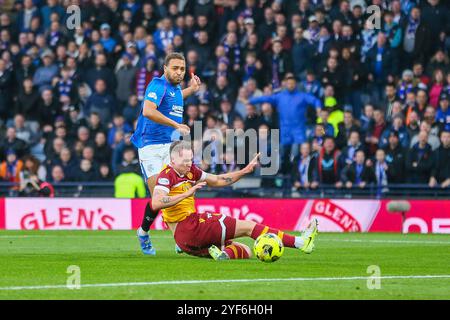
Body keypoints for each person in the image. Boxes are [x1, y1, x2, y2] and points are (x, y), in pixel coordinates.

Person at [148, 141, 319, 260]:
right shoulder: (166, 175)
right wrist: (185, 195)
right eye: (185, 161)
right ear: (172, 160)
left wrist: (244, 171)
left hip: (185, 241)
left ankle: (223, 256)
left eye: (191, 159)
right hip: (190, 227)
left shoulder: (191, 171)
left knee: (245, 250)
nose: (189, 164)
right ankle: (301, 242)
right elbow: (156, 203)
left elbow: (218, 180)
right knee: (249, 227)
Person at [131, 52, 201, 255]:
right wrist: (176, 124)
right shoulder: (157, 85)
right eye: (175, 68)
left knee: (177, 190)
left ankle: (180, 239)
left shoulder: (175, 88)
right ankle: (143, 232)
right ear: (165, 69)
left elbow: (176, 97)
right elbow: (148, 111)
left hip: (170, 146)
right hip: (150, 145)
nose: (179, 72)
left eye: (182, 69)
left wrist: (192, 89)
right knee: (159, 198)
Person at [249, 75, 322, 174]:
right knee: (282, 155)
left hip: (298, 132)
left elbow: (315, 100)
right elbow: (265, 98)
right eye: (289, 83)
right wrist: (250, 101)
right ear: (286, 85)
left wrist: (318, 107)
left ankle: (295, 177)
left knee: (295, 155)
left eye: (292, 83)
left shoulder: (302, 96)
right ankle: (283, 176)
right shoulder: (280, 96)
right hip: (285, 132)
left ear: (295, 84)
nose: (291, 85)